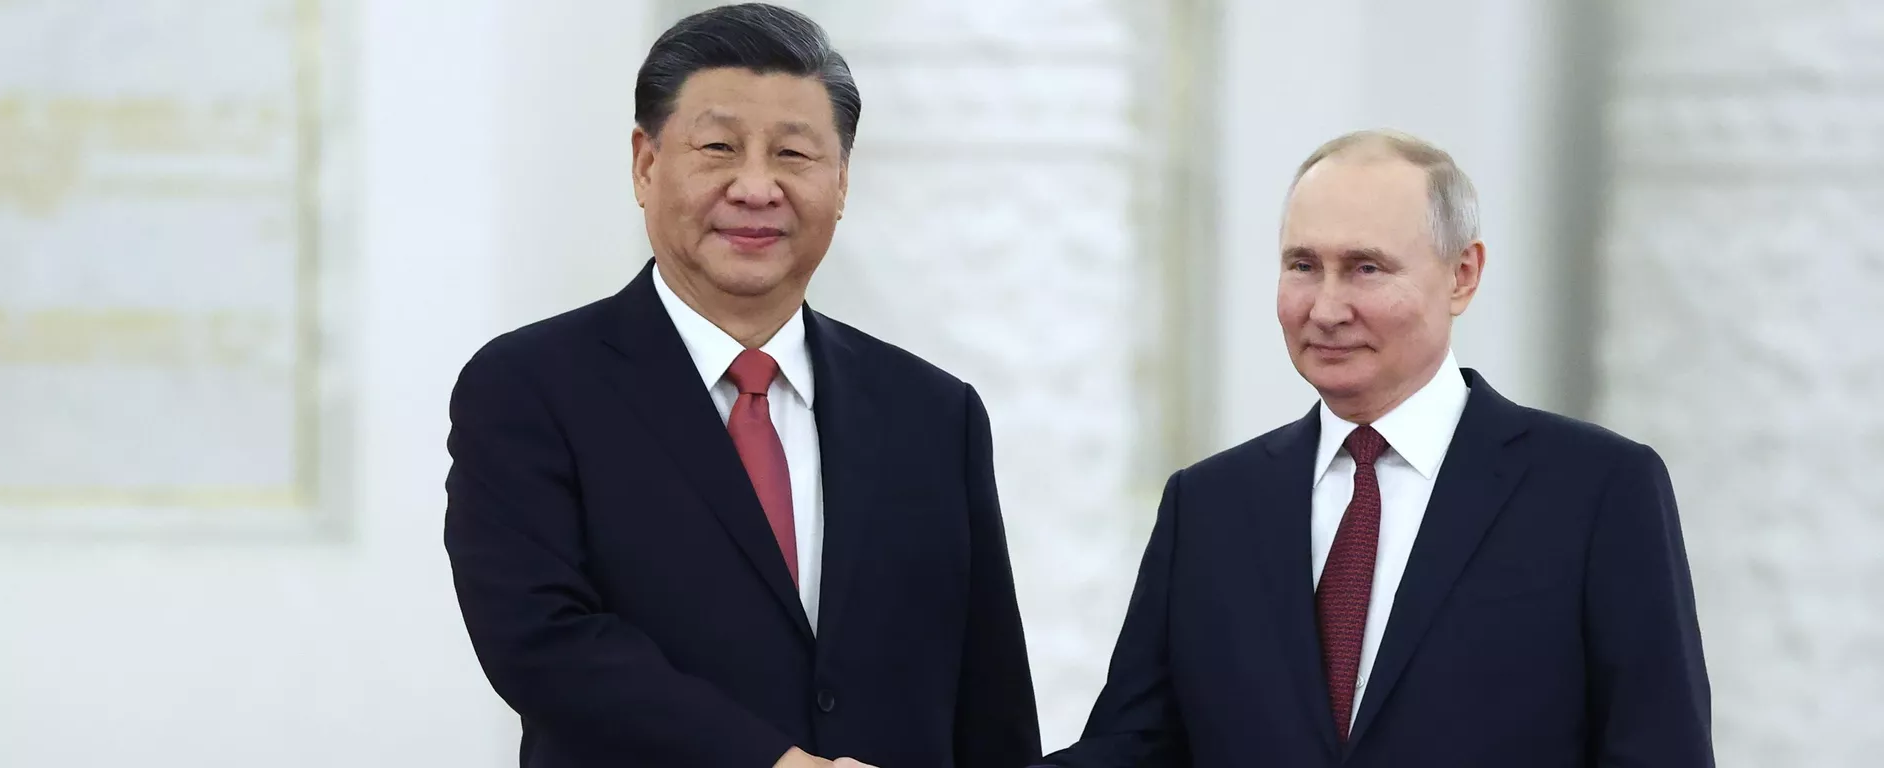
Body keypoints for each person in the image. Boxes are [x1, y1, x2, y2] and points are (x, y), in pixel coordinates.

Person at [442, 5, 1040, 767]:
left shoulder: (934, 413)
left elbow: (990, 698)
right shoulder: (531, 388)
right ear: (646, 164)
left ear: (842, 180)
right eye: (719, 147)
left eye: (794, 154)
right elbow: (542, 642)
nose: (756, 188)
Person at [1039, 130, 1714, 766]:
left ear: (1463, 275)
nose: (1327, 308)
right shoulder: (1209, 505)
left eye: (1365, 268)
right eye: (1303, 265)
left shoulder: (1595, 491)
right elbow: (1138, 748)